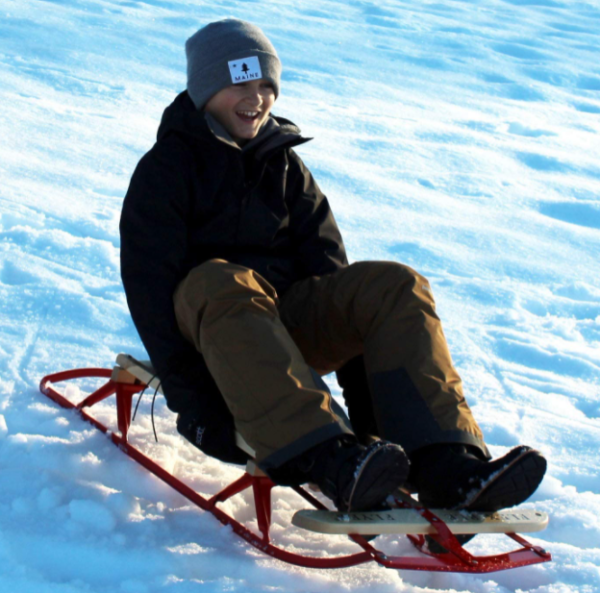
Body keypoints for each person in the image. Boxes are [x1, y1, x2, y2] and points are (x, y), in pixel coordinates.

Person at [120, 19, 546, 514]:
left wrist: (370, 423)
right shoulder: (166, 170)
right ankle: (327, 458)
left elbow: (331, 280)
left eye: (266, 86)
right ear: (206, 87)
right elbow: (150, 290)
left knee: (393, 285)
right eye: (240, 83)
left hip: (281, 330)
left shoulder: (282, 163)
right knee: (222, 278)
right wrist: (194, 403)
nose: (256, 99)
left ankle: (446, 465)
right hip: (211, 336)